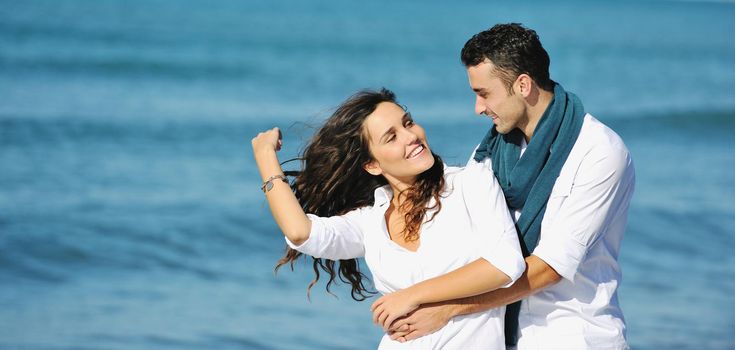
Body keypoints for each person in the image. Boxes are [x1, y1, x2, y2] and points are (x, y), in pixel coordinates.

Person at [383, 23, 636, 350]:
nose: (478, 108)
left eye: (484, 94)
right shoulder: (491, 151)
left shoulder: (599, 152)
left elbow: (548, 269)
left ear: (523, 85)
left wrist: (445, 308)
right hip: (499, 336)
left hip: (572, 336)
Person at [251, 88, 526, 349]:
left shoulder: (470, 183)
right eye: (391, 137)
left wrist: (411, 295)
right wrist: (265, 158)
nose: (411, 136)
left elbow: (504, 264)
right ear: (372, 165)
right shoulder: (370, 222)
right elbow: (301, 232)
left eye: (408, 123)